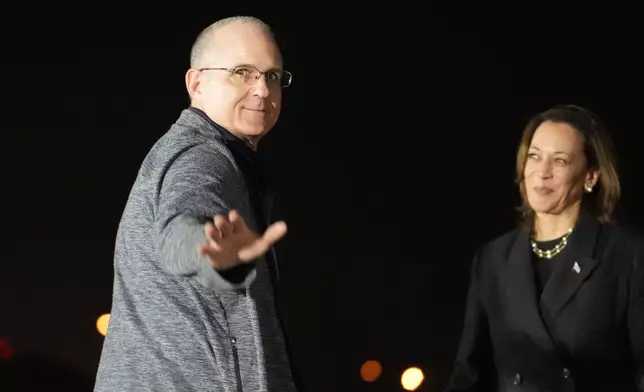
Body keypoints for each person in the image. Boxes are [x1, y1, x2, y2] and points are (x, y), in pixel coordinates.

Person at [94, 16, 302, 392]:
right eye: (242, 72)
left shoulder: (228, 160)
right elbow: (178, 235)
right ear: (197, 83)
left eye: (273, 76)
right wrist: (212, 254)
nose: (262, 90)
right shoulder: (200, 156)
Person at [445, 104, 644, 391]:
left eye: (560, 161)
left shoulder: (628, 254)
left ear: (590, 177)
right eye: (534, 157)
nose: (542, 172)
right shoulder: (493, 259)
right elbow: (469, 373)